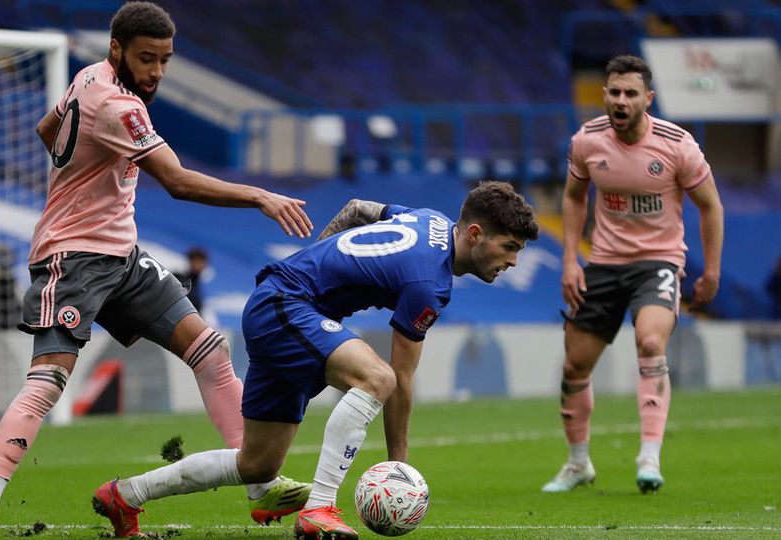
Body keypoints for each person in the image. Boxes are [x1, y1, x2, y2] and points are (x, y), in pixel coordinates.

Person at [0, 3, 315, 539]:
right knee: (47, 382)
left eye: (164, 60)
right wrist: (258, 194)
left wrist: (86, 176)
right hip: (75, 257)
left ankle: (256, 482)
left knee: (210, 350)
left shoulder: (86, 77)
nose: (156, 71)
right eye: (146, 59)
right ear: (117, 50)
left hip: (123, 257)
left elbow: (48, 127)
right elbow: (176, 182)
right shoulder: (119, 106)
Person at [92, 180, 539, 539]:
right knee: (376, 378)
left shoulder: (430, 221)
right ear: (476, 234)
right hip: (287, 307)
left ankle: (127, 494)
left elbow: (359, 208)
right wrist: (398, 466)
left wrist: (312, 259)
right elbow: (400, 378)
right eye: (510, 247)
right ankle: (320, 509)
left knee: (257, 465)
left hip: (284, 307)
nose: (514, 261)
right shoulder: (430, 282)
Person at [541, 55, 724, 495]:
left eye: (631, 93)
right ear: (604, 95)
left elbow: (711, 206)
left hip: (658, 262)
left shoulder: (677, 145)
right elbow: (572, 197)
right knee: (575, 365)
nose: (621, 101)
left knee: (649, 341)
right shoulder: (587, 141)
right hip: (603, 263)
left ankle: (649, 456)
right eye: (615, 92)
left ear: (648, 99)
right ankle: (578, 464)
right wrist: (570, 260)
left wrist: (711, 272)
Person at [174, 247, 209, 312]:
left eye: (200, 261)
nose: (197, 265)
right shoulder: (177, 278)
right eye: (195, 260)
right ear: (190, 261)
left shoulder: (198, 291)